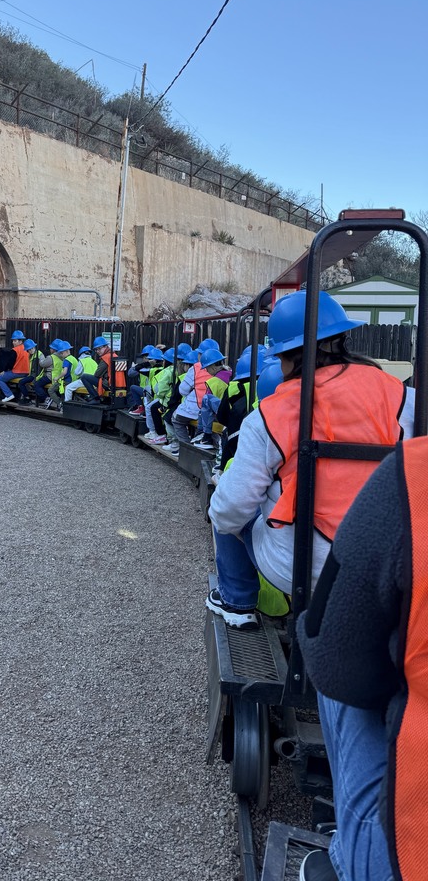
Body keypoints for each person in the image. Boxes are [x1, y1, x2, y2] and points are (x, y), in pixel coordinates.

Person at [206, 290, 413, 630]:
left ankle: (237, 600)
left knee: (227, 503)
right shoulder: (403, 396)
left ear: (286, 356)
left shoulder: (271, 414)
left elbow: (230, 510)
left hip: (305, 567)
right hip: (388, 562)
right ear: (342, 338)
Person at [296, 434, 428, 881]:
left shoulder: (414, 473)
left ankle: (348, 858)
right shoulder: (397, 402)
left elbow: (335, 664)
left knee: (338, 656)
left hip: (413, 856)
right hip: (354, 540)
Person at [79, 336, 126, 403]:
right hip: (118, 384)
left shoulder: (106, 358)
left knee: (84, 377)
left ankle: (95, 398)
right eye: (96, 349)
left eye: (99, 349)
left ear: (106, 347)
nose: (97, 351)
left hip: (109, 385)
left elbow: (97, 374)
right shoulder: (114, 355)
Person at [0, 330, 30, 404]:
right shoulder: (27, 349)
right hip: (27, 372)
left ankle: (9, 395)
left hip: (17, 372)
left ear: (20, 341)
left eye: (15, 341)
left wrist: (4, 370)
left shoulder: (14, 350)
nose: (13, 342)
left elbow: (10, 364)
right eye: (13, 341)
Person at [46, 341, 77, 410]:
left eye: (61, 353)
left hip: (67, 381)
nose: (61, 355)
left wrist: (57, 378)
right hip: (73, 381)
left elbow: (64, 372)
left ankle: (60, 403)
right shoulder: (74, 359)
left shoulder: (66, 360)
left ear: (65, 351)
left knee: (51, 390)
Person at [15, 339, 40, 404]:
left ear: (33, 348)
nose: (29, 351)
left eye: (30, 349)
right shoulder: (34, 355)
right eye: (28, 350)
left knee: (21, 382)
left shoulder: (36, 356)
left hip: (34, 376)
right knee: (22, 382)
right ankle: (27, 397)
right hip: (32, 374)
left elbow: (37, 370)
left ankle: (27, 398)